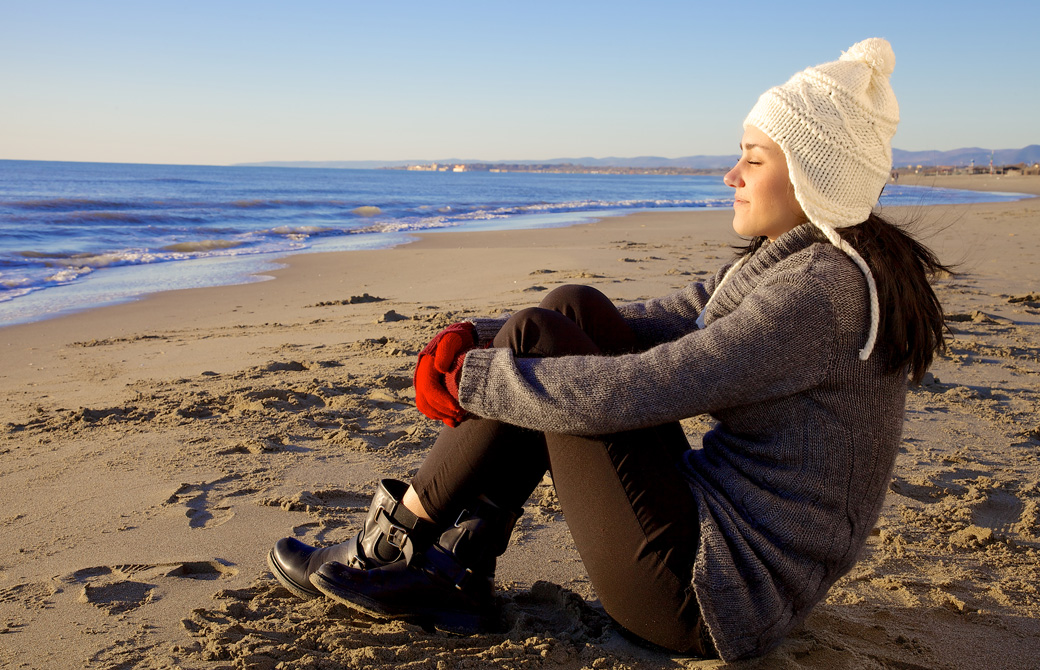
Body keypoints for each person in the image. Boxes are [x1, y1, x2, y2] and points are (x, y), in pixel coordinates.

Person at [268, 38, 951, 661]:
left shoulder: (820, 294)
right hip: (721, 566)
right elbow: (670, 317)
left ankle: (388, 547)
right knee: (570, 310)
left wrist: (471, 379)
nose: (730, 175)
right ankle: (460, 564)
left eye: (753, 157)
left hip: (704, 603)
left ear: (811, 176)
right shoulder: (806, 263)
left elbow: (644, 388)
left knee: (543, 342)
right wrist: (475, 336)